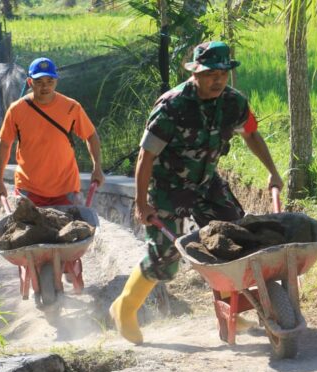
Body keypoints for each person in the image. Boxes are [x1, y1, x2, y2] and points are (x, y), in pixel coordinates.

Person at [109, 41, 284, 344]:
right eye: (210, 74)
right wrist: (142, 203)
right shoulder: (172, 105)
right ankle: (124, 308)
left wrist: (272, 170)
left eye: (222, 73)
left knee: (234, 240)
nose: (217, 80)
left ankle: (230, 311)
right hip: (167, 187)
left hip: (206, 182)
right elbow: (145, 156)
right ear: (195, 73)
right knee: (164, 259)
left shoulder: (233, 102)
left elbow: (251, 134)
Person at [0, 57, 105, 206]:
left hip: (66, 190)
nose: (45, 87)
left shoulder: (71, 108)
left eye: (49, 81)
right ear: (29, 82)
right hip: (28, 190)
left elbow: (91, 136)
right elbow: (4, 144)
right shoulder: (16, 110)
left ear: (56, 81)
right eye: (39, 82)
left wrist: (97, 167)